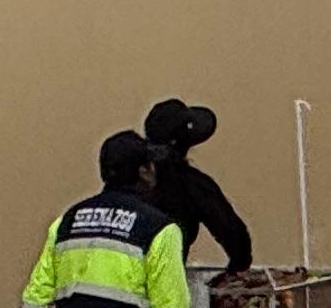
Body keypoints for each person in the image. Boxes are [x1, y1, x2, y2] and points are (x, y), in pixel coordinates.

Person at [20, 131, 193, 308]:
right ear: (144, 171)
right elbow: (172, 304)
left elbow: (34, 300)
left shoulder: (67, 223)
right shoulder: (159, 230)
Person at [136, 101, 252, 274]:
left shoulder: (126, 180)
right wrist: (235, 271)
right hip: (162, 284)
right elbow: (234, 235)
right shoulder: (192, 185)